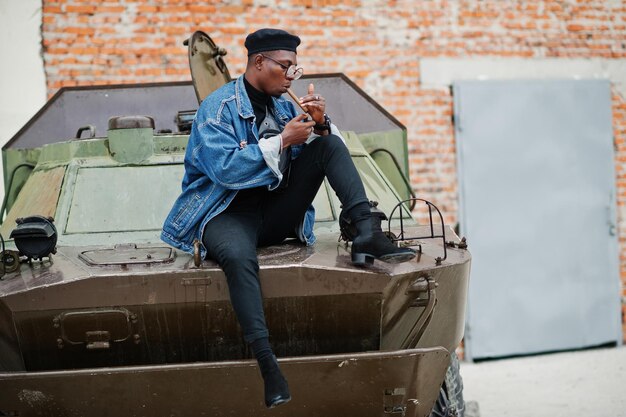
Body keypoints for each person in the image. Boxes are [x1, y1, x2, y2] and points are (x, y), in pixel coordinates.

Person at [161, 28, 415, 408]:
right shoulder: (217, 109)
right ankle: (268, 365)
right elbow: (226, 171)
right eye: (287, 67)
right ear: (259, 62)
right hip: (225, 211)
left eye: (296, 69)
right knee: (237, 259)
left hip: (275, 211)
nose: (292, 76)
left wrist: (321, 123)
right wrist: (282, 140)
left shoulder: (283, 105)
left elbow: (313, 159)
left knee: (327, 144)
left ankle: (366, 231)